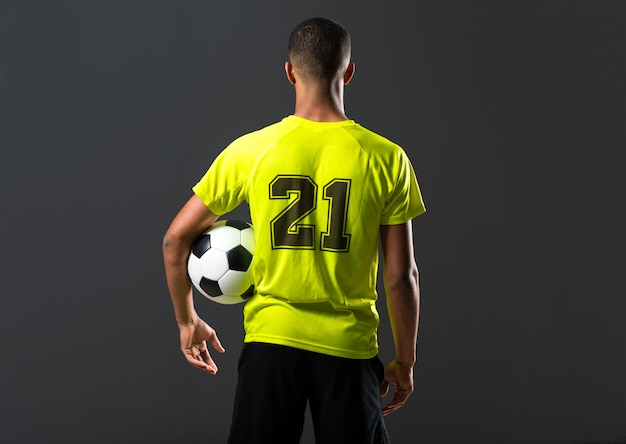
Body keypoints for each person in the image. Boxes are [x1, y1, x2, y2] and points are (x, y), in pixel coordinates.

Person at [162, 17, 426, 444]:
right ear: (349, 71)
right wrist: (406, 360)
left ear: (289, 71)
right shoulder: (387, 159)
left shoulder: (251, 150)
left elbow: (175, 240)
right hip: (349, 350)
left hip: (271, 346)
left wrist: (187, 320)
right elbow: (400, 278)